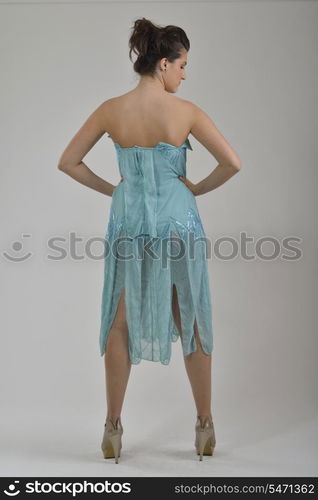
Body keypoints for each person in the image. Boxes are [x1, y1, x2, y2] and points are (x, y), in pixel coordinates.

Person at [57, 17, 241, 463]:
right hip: (179, 223)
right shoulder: (186, 112)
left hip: (128, 223)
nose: (184, 74)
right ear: (163, 63)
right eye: (182, 65)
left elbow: (69, 162)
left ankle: (113, 426)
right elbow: (231, 163)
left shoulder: (110, 109)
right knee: (192, 312)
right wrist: (193, 188)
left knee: (119, 317)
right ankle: (203, 425)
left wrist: (116, 189)